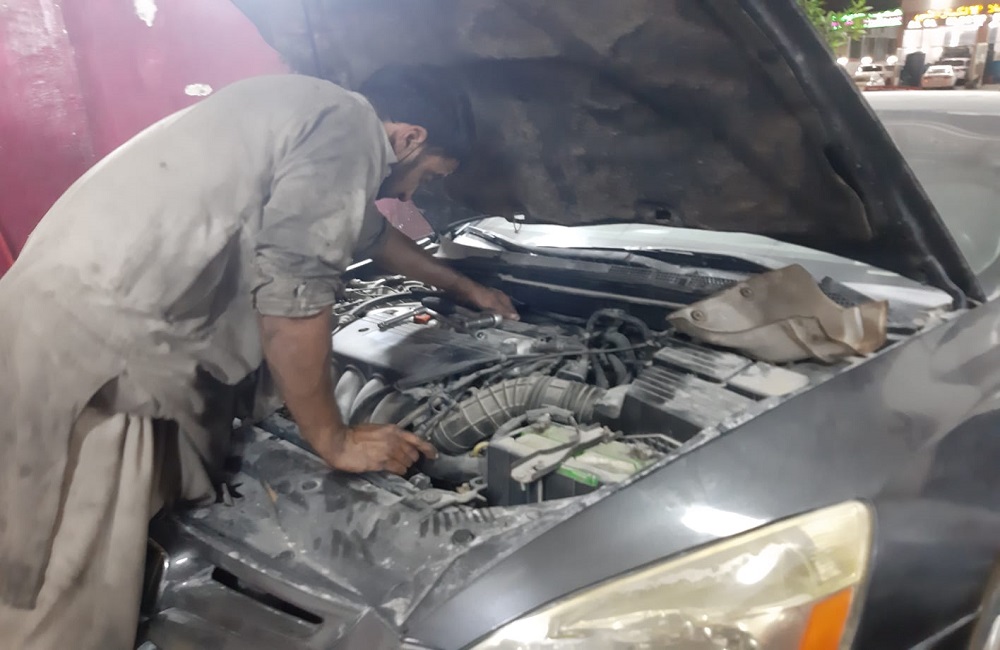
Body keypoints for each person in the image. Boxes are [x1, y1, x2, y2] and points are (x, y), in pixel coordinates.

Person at [0, 69, 518, 649]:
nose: (410, 197)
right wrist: (335, 440)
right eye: (428, 177)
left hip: (57, 323)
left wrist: (462, 287)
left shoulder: (299, 102)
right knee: (64, 592)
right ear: (410, 139)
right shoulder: (348, 127)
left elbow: (370, 235)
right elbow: (293, 303)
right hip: (99, 364)